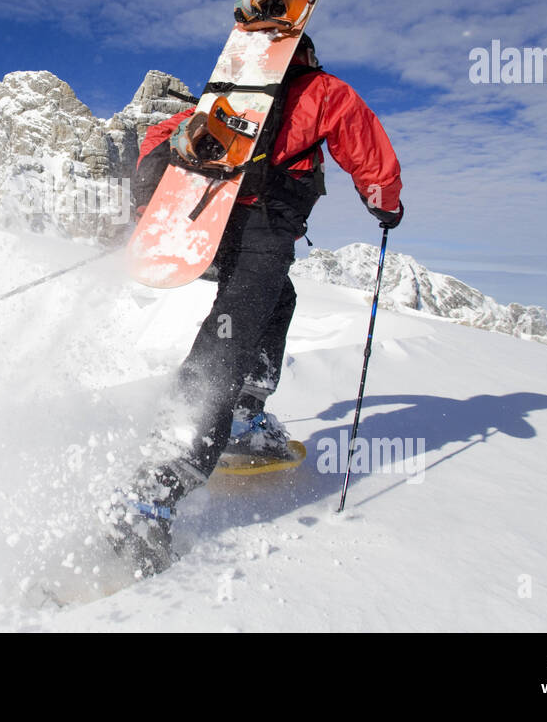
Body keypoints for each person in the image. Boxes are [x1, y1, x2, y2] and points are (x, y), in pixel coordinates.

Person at [110, 33, 404, 574]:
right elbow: (364, 146)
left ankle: (244, 412)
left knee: (274, 302)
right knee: (232, 334)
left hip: (211, 221)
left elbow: (164, 137)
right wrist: (386, 204)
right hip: (265, 227)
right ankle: (152, 490)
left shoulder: (227, 99)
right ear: (307, 54)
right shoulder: (321, 89)